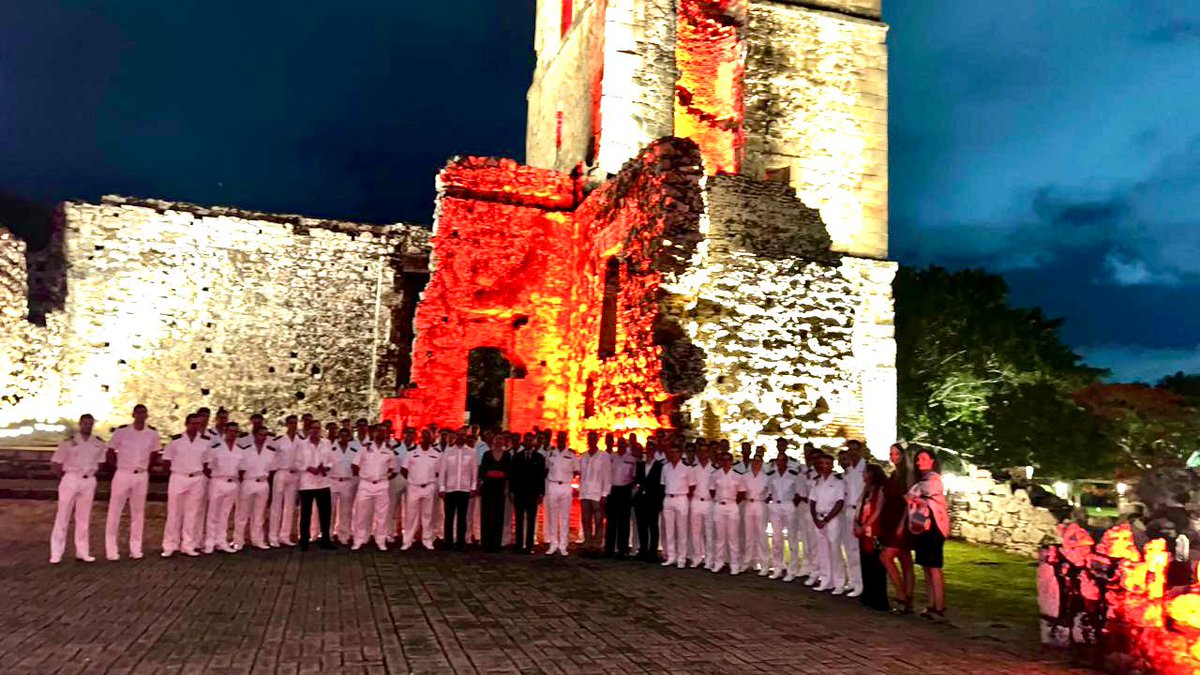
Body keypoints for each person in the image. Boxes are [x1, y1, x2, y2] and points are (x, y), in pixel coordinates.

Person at [104, 404, 161, 561]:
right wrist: (115, 466)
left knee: (138, 513)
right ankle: (111, 549)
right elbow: (110, 450)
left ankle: (135, 548)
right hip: (123, 472)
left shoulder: (152, 434)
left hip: (141, 474)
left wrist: (147, 468)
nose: (141, 415)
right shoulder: (122, 432)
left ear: (147, 415)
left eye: (144, 412)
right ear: (133, 414)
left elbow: (155, 453)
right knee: (115, 511)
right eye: (138, 412)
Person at [49, 414, 106, 564]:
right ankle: (56, 552)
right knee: (63, 515)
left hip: (88, 480)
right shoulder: (69, 442)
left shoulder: (98, 443)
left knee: (84, 517)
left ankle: (82, 551)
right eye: (85, 423)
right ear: (80, 424)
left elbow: (100, 463)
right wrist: (65, 477)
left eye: (90, 424)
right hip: (71, 478)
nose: (88, 426)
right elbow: (56, 464)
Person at [161, 414, 212, 557]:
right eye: (193, 423)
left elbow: (206, 462)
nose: (196, 426)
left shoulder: (205, 441)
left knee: (192, 513)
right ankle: (170, 544)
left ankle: (188, 544)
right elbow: (166, 461)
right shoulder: (176, 441)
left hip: (196, 478)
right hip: (178, 477)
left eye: (198, 424)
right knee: (174, 512)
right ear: (186, 424)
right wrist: (174, 473)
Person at [908, 448, 950, 619]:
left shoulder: (933, 480)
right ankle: (932, 604)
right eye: (918, 459)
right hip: (922, 525)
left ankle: (939, 606)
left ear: (932, 460)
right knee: (926, 566)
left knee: (934, 567)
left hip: (934, 526)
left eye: (924, 458)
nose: (920, 462)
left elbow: (925, 497)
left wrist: (914, 498)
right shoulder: (922, 480)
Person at [880, 443, 916, 614]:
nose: (893, 457)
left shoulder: (907, 476)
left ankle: (902, 596)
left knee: (886, 557)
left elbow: (909, 504)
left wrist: (902, 524)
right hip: (891, 520)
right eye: (891, 453)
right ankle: (908, 600)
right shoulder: (894, 474)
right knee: (905, 560)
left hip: (901, 521)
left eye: (896, 454)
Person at [351, 425, 397, 551]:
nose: (381, 434)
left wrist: (385, 476)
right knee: (361, 513)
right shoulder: (365, 448)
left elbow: (393, 468)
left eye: (384, 431)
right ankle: (358, 540)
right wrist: (362, 475)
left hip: (382, 484)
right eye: (379, 431)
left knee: (382, 515)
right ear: (374, 433)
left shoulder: (388, 450)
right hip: (365, 484)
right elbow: (355, 464)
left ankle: (380, 540)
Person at [233, 426, 276, 550]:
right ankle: (238, 540)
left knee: (259, 514)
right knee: (242, 513)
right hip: (248, 481)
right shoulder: (245, 450)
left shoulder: (270, 451)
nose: (262, 437)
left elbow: (272, 470)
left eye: (265, 435)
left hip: (263, 482)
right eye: (260, 435)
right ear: (255, 435)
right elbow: (240, 469)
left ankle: (257, 540)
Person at [295, 422, 336, 551]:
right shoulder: (301, 445)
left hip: (323, 482)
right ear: (308, 430)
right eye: (313, 428)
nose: (315, 431)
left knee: (325, 513)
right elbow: (296, 462)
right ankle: (304, 541)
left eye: (318, 428)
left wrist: (326, 467)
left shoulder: (326, 443)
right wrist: (307, 468)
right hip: (307, 483)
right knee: (306, 513)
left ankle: (325, 540)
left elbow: (332, 460)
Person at [809, 453, 846, 594]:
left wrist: (826, 520)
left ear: (832, 465)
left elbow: (840, 502)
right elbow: (812, 501)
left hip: (832, 519)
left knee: (835, 551)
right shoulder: (816, 481)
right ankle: (826, 580)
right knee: (822, 551)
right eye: (822, 463)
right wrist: (815, 519)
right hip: (818, 518)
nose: (824, 466)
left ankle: (839, 582)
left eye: (827, 464)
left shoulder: (838, 482)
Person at [205, 423, 245, 553]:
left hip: (232, 483)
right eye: (231, 431)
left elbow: (241, 470)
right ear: (226, 431)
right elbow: (207, 466)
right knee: (213, 513)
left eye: (235, 432)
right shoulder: (216, 448)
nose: (233, 434)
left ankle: (221, 541)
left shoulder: (240, 450)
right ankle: (209, 543)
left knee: (225, 514)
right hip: (218, 481)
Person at [855, 463, 890, 611]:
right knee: (866, 563)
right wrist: (857, 524)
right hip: (863, 527)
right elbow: (858, 507)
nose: (863, 475)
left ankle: (879, 598)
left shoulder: (880, 489)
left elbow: (878, 510)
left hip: (874, 530)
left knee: (876, 565)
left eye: (865, 472)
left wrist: (865, 526)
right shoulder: (865, 489)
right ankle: (868, 594)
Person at [401, 430, 441, 550]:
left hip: (429, 486)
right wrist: (413, 479)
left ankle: (427, 540)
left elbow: (439, 471)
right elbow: (404, 469)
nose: (426, 439)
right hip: (413, 487)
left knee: (427, 515)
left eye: (429, 437)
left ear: (432, 439)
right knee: (411, 515)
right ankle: (407, 541)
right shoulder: (412, 452)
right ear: (420, 438)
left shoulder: (437, 453)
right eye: (424, 437)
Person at [439, 431, 478, 550]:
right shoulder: (448, 452)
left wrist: (473, 487)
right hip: (450, 488)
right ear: (455, 438)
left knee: (462, 517)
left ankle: (461, 542)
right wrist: (442, 487)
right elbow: (442, 471)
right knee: (449, 516)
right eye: (459, 436)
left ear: (465, 438)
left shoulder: (471, 452)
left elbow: (474, 471)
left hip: (464, 489)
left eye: (463, 436)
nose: (461, 438)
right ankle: (448, 542)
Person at [268, 415, 304, 547]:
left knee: (290, 506)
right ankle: (273, 536)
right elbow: (271, 457)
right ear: (287, 424)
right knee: (276, 505)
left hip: (295, 474)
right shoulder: (279, 440)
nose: (293, 425)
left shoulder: (301, 441)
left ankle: (285, 535)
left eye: (295, 423)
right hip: (281, 472)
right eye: (291, 423)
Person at [508, 432, 546, 554]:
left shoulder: (539, 458)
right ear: (524, 441)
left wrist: (541, 493)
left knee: (531, 519)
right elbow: (512, 475)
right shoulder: (517, 457)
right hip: (519, 492)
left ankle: (529, 545)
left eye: (531, 440)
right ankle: (519, 544)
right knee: (519, 519)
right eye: (527, 440)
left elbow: (541, 477)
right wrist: (511, 491)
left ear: (534, 442)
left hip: (532, 493)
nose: (529, 443)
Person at [709, 452, 745, 575]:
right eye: (723, 460)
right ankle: (719, 562)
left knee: (733, 537)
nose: (725, 462)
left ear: (731, 461)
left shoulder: (738, 476)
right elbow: (712, 490)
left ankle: (734, 564)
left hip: (732, 506)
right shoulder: (715, 474)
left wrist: (732, 501)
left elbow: (741, 493)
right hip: (719, 506)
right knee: (719, 537)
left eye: (728, 460)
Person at [766, 452, 800, 580]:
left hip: (788, 505)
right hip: (776, 506)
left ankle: (792, 570)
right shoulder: (771, 475)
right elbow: (768, 491)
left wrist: (792, 505)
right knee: (776, 539)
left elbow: (798, 493)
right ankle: (777, 568)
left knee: (792, 538)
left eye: (782, 460)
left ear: (786, 462)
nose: (780, 463)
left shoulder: (793, 475)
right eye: (778, 460)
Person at [544, 431, 578, 556]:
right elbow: (546, 468)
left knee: (565, 517)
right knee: (552, 516)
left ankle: (563, 545)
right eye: (559, 438)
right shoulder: (551, 453)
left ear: (566, 439)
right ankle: (553, 544)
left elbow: (576, 471)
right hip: (552, 485)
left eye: (563, 438)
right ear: (557, 439)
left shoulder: (571, 454)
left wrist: (567, 479)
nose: (561, 440)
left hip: (565, 485)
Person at [840, 440, 867, 597]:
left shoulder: (866, 468)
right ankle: (853, 581)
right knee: (849, 548)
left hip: (861, 512)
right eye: (850, 450)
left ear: (860, 451)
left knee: (858, 550)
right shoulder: (848, 471)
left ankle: (861, 584)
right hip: (847, 512)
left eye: (855, 450)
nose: (852, 453)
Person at [578, 431, 611, 554]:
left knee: (598, 520)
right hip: (585, 493)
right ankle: (587, 543)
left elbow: (608, 476)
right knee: (585, 520)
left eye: (593, 439)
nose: (591, 441)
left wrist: (604, 494)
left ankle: (597, 545)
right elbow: (581, 475)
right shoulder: (584, 456)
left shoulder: (603, 456)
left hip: (597, 494)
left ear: (597, 440)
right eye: (589, 439)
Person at [604, 436, 637, 558]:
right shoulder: (611, 457)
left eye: (624, 444)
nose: (621, 445)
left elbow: (634, 476)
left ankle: (623, 550)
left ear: (626, 445)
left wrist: (629, 488)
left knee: (624, 522)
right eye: (620, 443)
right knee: (611, 521)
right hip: (612, 491)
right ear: (617, 445)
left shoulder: (632, 459)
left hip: (625, 491)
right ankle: (609, 549)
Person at [478, 433, 511, 552]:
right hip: (488, 487)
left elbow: (508, 472)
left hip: (500, 488)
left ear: (504, 442)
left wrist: (506, 486)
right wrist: (493, 474)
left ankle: (497, 543)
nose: (498, 441)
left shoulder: (507, 455)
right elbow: (482, 471)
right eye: (497, 439)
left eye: (501, 439)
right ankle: (486, 543)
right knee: (486, 514)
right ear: (493, 441)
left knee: (499, 515)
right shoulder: (487, 454)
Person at [660, 445, 691, 569]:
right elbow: (663, 483)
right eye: (671, 452)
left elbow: (692, 486)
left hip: (681, 498)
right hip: (668, 498)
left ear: (680, 454)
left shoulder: (687, 468)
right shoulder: (665, 468)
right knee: (669, 530)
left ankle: (681, 558)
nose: (673, 455)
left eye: (676, 452)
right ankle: (671, 556)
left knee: (682, 530)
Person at [633, 444, 664, 562]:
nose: (649, 452)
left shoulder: (660, 466)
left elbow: (661, 486)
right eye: (648, 450)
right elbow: (638, 481)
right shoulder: (640, 465)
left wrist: (659, 501)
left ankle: (653, 552)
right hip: (641, 500)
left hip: (653, 500)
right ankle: (643, 550)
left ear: (654, 451)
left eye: (652, 449)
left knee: (653, 526)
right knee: (642, 526)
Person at [687, 443, 715, 568]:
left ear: (708, 453)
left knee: (709, 532)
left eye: (705, 451)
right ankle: (697, 558)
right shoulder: (693, 469)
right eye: (700, 451)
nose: (703, 454)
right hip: (696, 501)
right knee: (695, 532)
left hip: (709, 502)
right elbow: (690, 486)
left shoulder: (714, 469)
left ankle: (709, 559)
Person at [328, 428, 358, 544]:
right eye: (342, 435)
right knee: (330, 510)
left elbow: (356, 466)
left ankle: (344, 535)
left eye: (346, 435)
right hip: (333, 480)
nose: (344, 437)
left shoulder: (354, 450)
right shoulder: (331, 448)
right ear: (339, 436)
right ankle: (328, 534)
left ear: (349, 437)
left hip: (347, 481)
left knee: (346, 510)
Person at [741, 456, 769, 575]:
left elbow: (768, 492)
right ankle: (747, 561)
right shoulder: (745, 476)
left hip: (760, 504)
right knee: (748, 534)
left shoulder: (766, 477)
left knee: (761, 534)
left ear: (761, 463)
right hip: (748, 503)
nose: (756, 463)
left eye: (758, 461)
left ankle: (764, 563)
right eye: (754, 461)